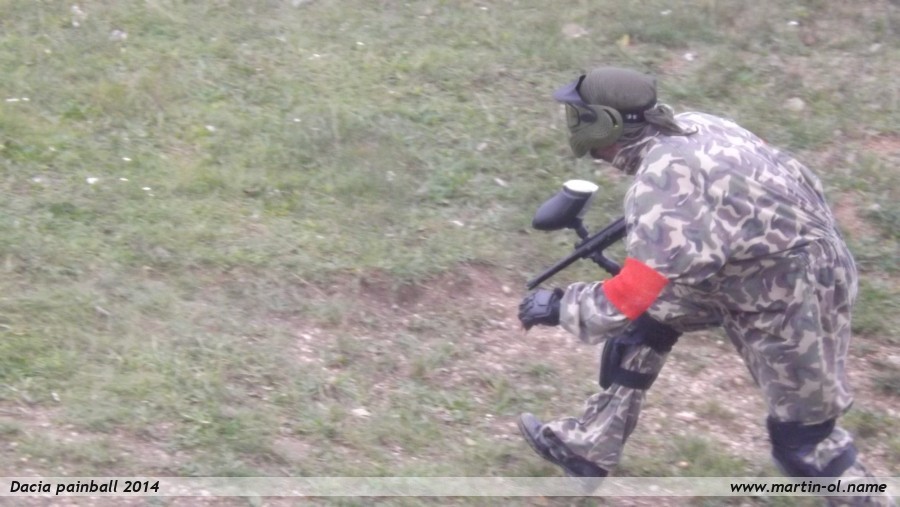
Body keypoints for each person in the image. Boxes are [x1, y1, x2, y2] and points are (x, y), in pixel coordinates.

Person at [516, 66, 894, 506]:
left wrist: (559, 304)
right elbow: (798, 176)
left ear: (606, 123)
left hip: (796, 294)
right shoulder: (696, 125)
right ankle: (588, 447)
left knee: (805, 444)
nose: (574, 127)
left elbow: (627, 297)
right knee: (649, 324)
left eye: (580, 117)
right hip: (747, 270)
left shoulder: (661, 181)